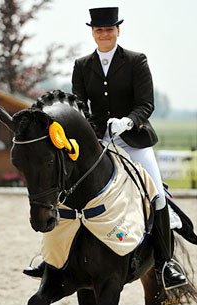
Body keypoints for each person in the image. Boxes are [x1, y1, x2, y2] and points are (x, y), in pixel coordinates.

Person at [24, 7, 186, 289]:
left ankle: (164, 263)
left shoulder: (136, 61)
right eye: (99, 30)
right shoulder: (82, 64)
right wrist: (90, 130)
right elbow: (78, 105)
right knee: (65, 191)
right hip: (97, 140)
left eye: (109, 29)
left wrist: (128, 121)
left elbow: (146, 103)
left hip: (134, 139)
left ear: (117, 31)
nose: (105, 34)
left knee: (157, 193)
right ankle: (51, 260)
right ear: (93, 33)